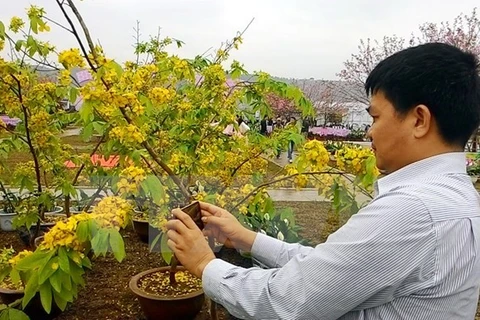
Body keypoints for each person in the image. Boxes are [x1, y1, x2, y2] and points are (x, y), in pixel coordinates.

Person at [166, 43, 480, 319]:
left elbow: (290, 300)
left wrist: (206, 264)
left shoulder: (412, 210)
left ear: (419, 120)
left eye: (375, 117)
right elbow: (332, 271)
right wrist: (248, 239)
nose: (370, 132)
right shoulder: (458, 198)